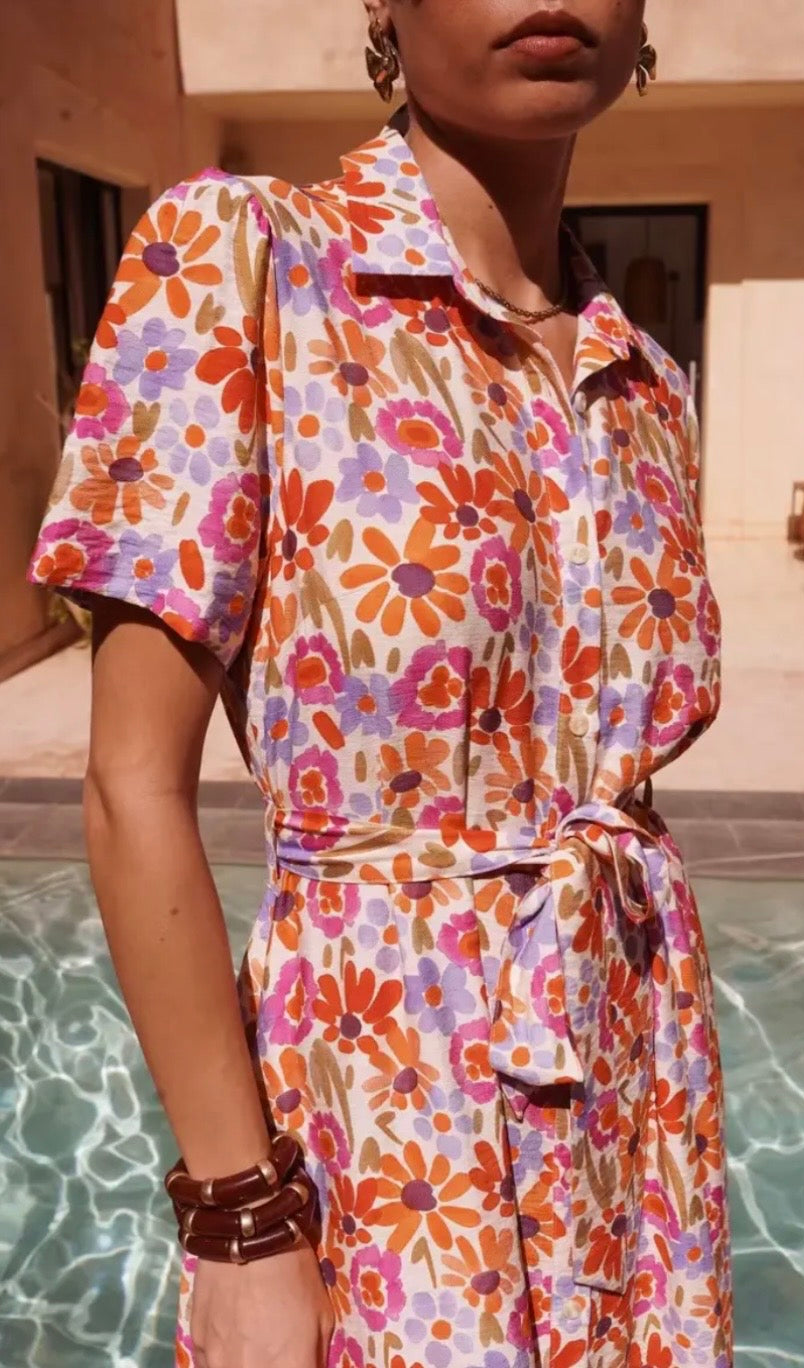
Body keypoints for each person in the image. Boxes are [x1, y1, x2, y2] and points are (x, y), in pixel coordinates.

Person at [26, 2, 731, 1366]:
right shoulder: (246, 263)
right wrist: (239, 1213)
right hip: (387, 1108)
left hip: (638, 1089)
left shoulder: (643, 382)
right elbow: (129, 786)